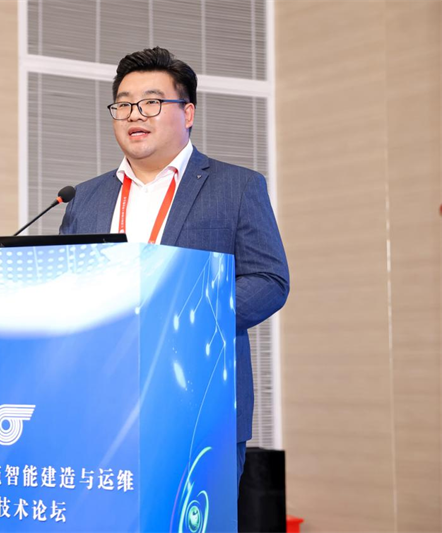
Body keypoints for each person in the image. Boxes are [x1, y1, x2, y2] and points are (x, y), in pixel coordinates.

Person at [59, 47, 289, 487]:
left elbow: (269, 280)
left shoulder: (237, 186)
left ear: (188, 113)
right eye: (124, 104)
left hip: (198, 403)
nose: (134, 114)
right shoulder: (84, 198)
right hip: (101, 407)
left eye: (151, 102)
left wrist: (179, 317)